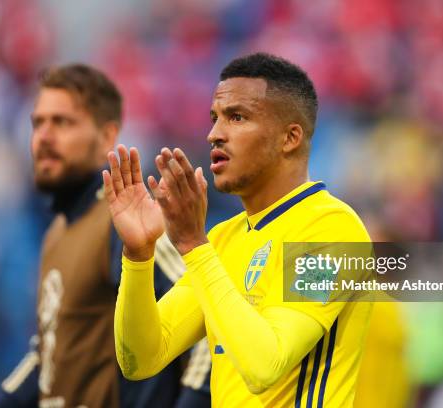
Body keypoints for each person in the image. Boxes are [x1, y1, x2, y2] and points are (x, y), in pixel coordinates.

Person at [105, 53, 372, 407]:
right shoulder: (224, 238)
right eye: (215, 118)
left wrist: (193, 244)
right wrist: (138, 256)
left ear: (289, 137)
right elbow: (140, 359)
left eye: (237, 117)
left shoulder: (332, 230)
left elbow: (266, 365)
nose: (214, 134)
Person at [0, 64, 210, 408]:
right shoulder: (56, 234)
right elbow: (51, 352)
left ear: (107, 136)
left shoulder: (124, 223)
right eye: (38, 123)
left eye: (62, 122)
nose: (44, 137)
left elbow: (206, 318)